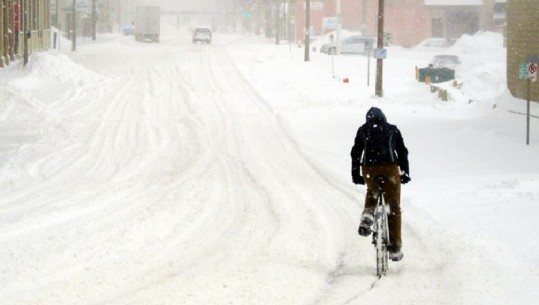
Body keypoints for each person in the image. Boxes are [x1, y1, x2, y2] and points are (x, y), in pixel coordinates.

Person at [350, 107, 410, 261]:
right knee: (393, 207)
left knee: (373, 190)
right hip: (390, 169)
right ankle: (395, 247)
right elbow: (402, 151)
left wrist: (355, 173)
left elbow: (356, 152)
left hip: (369, 169)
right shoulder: (392, 129)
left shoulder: (363, 130)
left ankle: (368, 214)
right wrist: (405, 172)